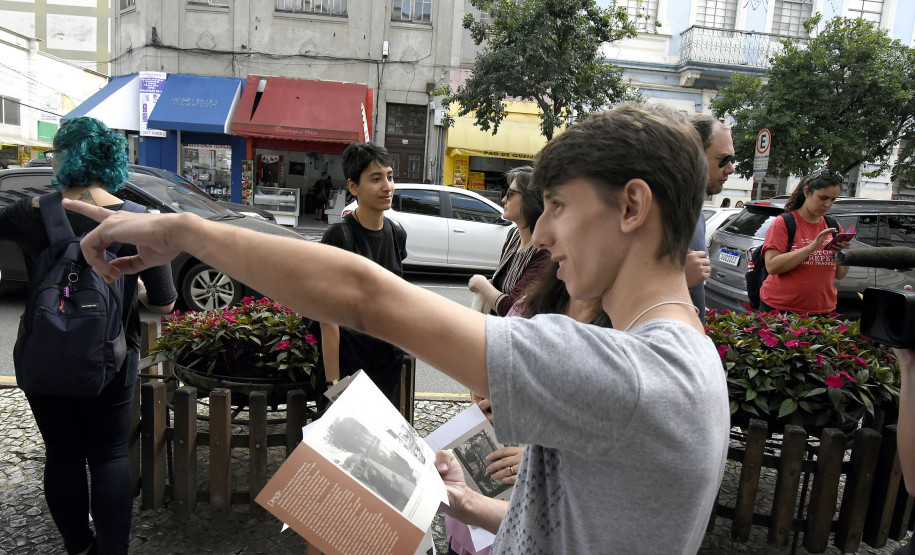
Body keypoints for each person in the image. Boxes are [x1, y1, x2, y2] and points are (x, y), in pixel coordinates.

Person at [65, 102, 731, 553]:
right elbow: (580, 523)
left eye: (558, 205)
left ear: (632, 206)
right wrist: (468, 505)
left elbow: (363, 295)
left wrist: (184, 231)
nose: (546, 232)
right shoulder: (681, 357)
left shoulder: (632, 373)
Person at [0, 116, 177, 555]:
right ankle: (112, 550)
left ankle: (77, 546)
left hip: (44, 356)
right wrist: (129, 286)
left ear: (62, 158)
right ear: (113, 159)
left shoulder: (35, 211)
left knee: (62, 454)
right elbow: (163, 303)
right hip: (112, 359)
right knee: (109, 454)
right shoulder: (139, 220)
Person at [318, 143, 407, 405]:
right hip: (350, 366)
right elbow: (327, 317)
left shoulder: (396, 233)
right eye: (376, 179)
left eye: (390, 177)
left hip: (387, 363)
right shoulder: (339, 236)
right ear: (353, 186)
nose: (387, 186)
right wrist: (334, 385)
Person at [759, 169, 851, 314]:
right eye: (823, 198)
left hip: (822, 311)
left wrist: (841, 254)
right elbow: (772, 266)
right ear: (807, 192)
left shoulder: (833, 226)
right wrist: (813, 246)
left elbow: (840, 274)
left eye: (833, 199)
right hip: (781, 309)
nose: (827, 204)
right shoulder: (784, 222)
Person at [467, 166, 550, 316]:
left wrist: (481, 283)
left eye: (510, 194)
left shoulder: (543, 252)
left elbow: (511, 309)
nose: (504, 199)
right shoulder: (513, 235)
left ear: (530, 199)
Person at [686, 114, 737, 319]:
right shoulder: (654, 210)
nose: (731, 169)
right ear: (692, 153)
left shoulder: (695, 209)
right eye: (724, 159)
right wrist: (680, 280)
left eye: (732, 159)